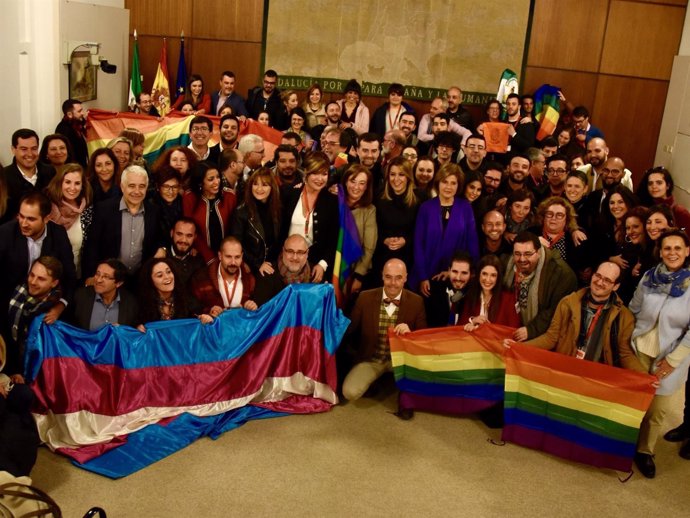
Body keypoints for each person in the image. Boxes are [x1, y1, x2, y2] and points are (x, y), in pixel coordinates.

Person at [630, 229, 690, 478]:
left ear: (687, 252)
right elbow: (634, 308)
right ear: (660, 251)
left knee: (658, 409)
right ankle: (625, 443)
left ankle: (645, 451)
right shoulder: (649, 277)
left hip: (673, 356)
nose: (672, 253)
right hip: (639, 348)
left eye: (678, 248)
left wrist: (674, 360)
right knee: (634, 403)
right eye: (667, 248)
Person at [515, 261, 645, 372]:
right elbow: (551, 337)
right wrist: (520, 348)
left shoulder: (624, 316)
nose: (599, 282)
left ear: (616, 286)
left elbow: (625, 354)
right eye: (598, 275)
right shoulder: (568, 303)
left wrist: (645, 377)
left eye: (607, 280)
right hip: (566, 370)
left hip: (598, 377)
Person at [341, 259, 426, 401]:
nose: (393, 283)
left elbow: (423, 338)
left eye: (398, 278)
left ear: (405, 278)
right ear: (382, 276)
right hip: (372, 359)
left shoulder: (416, 301)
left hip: (401, 361)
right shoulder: (365, 297)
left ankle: (404, 397)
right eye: (388, 277)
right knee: (349, 392)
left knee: (422, 386)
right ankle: (374, 381)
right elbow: (348, 329)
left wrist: (410, 333)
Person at [0, 193, 76, 319]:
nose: (23, 224)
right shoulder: (5, 233)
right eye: (21, 216)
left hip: (47, 303)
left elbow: (69, 275)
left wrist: (61, 305)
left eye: (31, 219)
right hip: (8, 301)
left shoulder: (58, 234)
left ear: (46, 219)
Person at [411, 163, 479, 296]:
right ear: (438, 183)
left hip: (455, 277)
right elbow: (418, 244)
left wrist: (453, 272)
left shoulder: (465, 207)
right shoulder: (426, 207)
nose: (448, 187)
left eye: (453, 183)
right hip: (427, 275)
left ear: (458, 186)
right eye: (445, 182)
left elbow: (472, 243)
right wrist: (422, 276)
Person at [83, 165, 162, 280]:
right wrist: (91, 276)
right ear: (122, 187)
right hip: (109, 279)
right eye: (131, 186)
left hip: (140, 279)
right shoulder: (104, 209)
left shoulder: (154, 211)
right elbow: (92, 246)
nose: (137, 191)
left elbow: (158, 239)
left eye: (142, 186)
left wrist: (162, 249)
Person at [502, 231, 577, 341]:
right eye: (517, 254)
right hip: (513, 328)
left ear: (538, 252)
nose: (522, 259)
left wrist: (531, 330)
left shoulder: (561, 274)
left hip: (544, 336)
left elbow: (554, 311)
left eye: (528, 254)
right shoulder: (507, 265)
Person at [280, 152, 338, 282]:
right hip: (285, 262)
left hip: (314, 266)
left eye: (324, 174)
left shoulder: (332, 201)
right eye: (315, 173)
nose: (320, 178)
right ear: (306, 172)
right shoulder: (288, 193)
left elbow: (333, 239)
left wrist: (322, 264)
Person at [182, 161, 237, 264]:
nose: (217, 182)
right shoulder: (189, 198)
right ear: (200, 182)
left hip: (228, 255)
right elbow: (190, 231)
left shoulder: (230, 196)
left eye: (218, 177)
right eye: (211, 179)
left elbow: (234, 230)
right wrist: (209, 257)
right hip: (200, 255)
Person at [230, 168, 282, 276]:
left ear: (272, 187)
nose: (259, 189)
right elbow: (236, 244)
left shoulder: (278, 208)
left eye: (264, 185)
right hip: (253, 265)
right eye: (255, 184)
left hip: (274, 262)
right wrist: (257, 264)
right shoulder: (241, 212)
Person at [373, 157, 420, 275]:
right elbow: (373, 227)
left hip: (409, 255)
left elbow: (421, 230)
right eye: (392, 174)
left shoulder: (420, 198)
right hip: (382, 253)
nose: (396, 179)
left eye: (401, 174)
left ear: (408, 177)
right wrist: (384, 240)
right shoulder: (377, 196)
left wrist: (406, 240)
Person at [45, 163, 93, 277]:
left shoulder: (86, 209)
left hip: (78, 274)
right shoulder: (47, 208)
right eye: (67, 182)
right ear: (59, 183)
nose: (72, 188)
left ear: (83, 186)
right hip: (51, 276)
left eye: (77, 183)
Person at [137, 257, 212, 329]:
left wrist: (206, 317)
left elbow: (201, 315)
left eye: (169, 272)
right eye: (160, 275)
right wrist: (138, 327)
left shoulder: (186, 298)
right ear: (151, 282)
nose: (167, 277)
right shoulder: (144, 305)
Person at [190, 236, 257, 315]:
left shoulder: (250, 280)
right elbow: (192, 309)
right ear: (220, 255)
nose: (233, 262)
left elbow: (256, 312)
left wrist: (252, 307)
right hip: (212, 327)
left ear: (242, 256)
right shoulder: (200, 278)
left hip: (239, 327)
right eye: (228, 257)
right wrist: (209, 311)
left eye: (237, 257)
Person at [70, 258, 139, 330]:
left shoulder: (130, 303)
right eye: (97, 274)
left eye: (106, 277)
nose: (98, 280)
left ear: (119, 283)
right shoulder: (80, 296)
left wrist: (123, 331)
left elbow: (133, 331)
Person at [3, 128, 56, 219]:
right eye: (24, 149)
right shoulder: (3, 176)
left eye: (34, 149)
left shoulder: (50, 172)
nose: (30, 154)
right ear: (13, 149)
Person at [341, 164, 377, 298]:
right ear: (345, 181)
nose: (356, 187)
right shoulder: (335, 201)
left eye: (362, 183)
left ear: (367, 186)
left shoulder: (369, 210)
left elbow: (369, 247)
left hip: (354, 270)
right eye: (353, 181)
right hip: (331, 266)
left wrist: (359, 276)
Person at [459, 255, 521, 331]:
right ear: (479, 274)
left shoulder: (508, 299)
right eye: (484, 274)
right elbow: (460, 325)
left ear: (498, 278)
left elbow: (514, 329)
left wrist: (490, 328)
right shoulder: (471, 295)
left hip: (497, 342)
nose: (488, 279)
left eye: (493, 275)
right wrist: (473, 321)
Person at [253, 234, 312, 306]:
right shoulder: (267, 274)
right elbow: (261, 310)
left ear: (307, 253)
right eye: (290, 251)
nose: (295, 257)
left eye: (300, 252)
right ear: (283, 250)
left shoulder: (316, 275)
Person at [636, 166, 690, 239]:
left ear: (668, 185)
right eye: (650, 183)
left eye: (659, 183)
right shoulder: (646, 208)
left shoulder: (679, 211)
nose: (654, 186)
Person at [425, 252, 473, 327]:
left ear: (471, 274)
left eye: (464, 273)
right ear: (449, 270)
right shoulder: (433, 289)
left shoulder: (474, 294)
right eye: (455, 271)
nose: (458, 278)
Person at [157, 217, 206, 286]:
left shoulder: (198, 261)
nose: (183, 240)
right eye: (179, 234)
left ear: (195, 237)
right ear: (172, 233)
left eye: (189, 236)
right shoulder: (159, 257)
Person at [149, 165, 183, 238]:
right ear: (158, 187)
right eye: (166, 187)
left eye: (174, 187)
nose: (171, 191)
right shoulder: (150, 206)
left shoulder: (184, 203)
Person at [55, 99, 88, 167]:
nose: (83, 113)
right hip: (73, 169)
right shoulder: (63, 130)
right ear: (69, 114)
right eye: (79, 111)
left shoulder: (75, 124)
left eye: (82, 110)